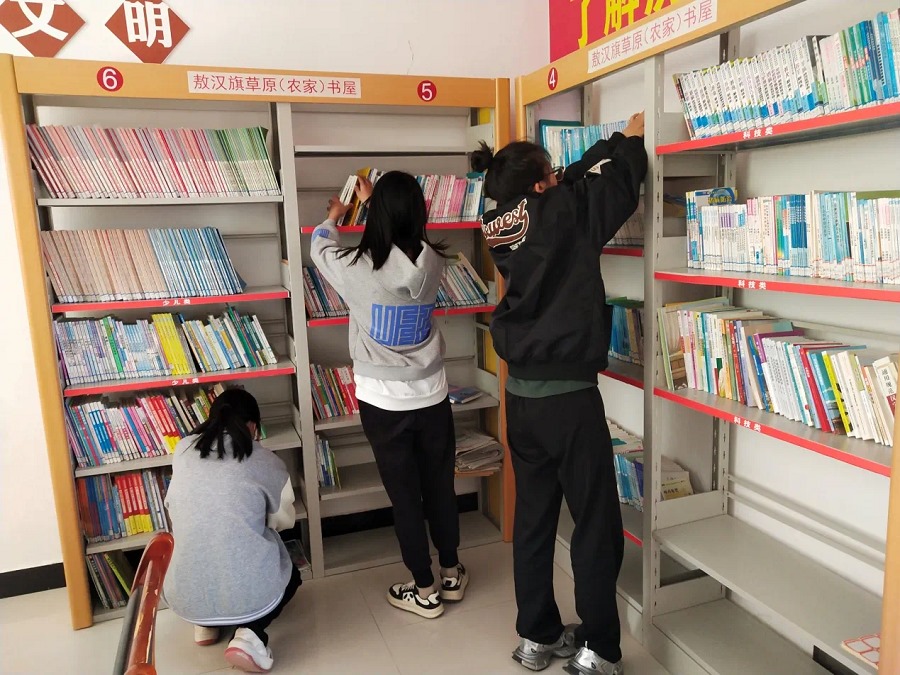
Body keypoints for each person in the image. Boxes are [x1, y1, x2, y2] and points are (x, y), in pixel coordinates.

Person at [470, 112, 647, 675]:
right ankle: (599, 650)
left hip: (521, 400)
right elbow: (618, 187)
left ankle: (537, 637)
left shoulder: (498, 220)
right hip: (570, 399)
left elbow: (564, 184)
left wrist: (572, 167)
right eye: (551, 174)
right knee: (595, 524)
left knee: (533, 520)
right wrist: (630, 143)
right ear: (541, 185)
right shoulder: (566, 212)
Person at [310, 171, 468, 619]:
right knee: (440, 487)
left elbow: (319, 248)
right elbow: (400, 244)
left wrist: (337, 216)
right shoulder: (434, 262)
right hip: (432, 393)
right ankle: (451, 573)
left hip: (382, 401)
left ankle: (424, 589)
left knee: (405, 497)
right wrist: (377, 204)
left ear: (375, 214)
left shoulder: (354, 268)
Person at [163, 388, 299, 673]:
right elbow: (284, 520)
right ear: (253, 426)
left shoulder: (183, 449)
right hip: (247, 593)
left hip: (184, 594)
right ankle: (250, 635)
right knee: (291, 573)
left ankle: (205, 625)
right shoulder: (264, 459)